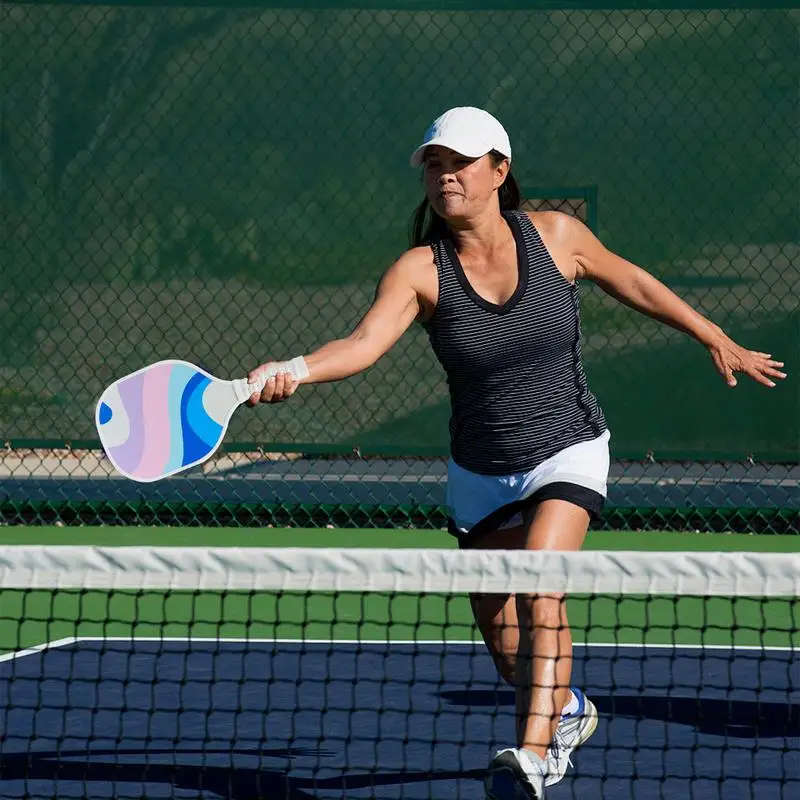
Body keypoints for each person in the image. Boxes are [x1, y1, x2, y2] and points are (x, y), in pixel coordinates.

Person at [245, 106, 786, 799]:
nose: (446, 177)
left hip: (568, 449)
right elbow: (361, 344)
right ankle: (567, 709)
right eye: (435, 166)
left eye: (460, 164)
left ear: (500, 170)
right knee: (509, 653)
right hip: (480, 473)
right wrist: (295, 367)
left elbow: (638, 282)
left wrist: (712, 332)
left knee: (543, 585)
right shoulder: (419, 271)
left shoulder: (557, 237)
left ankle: (532, 756)